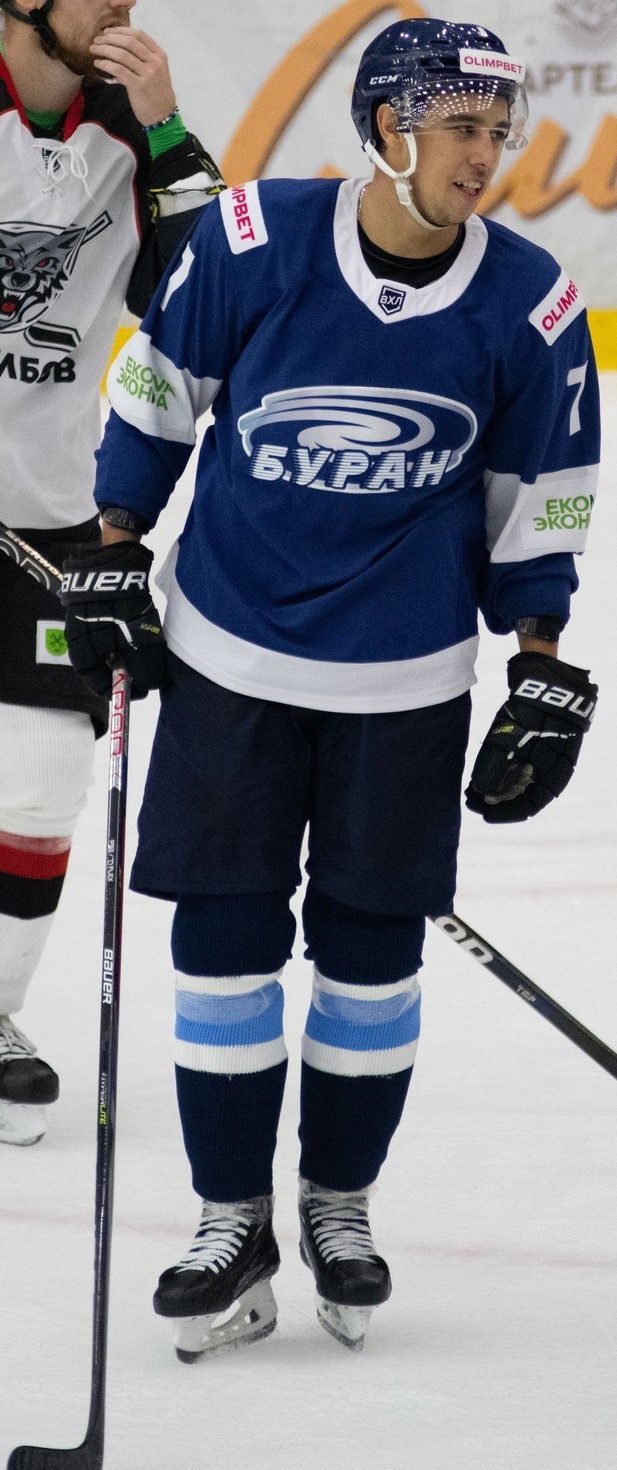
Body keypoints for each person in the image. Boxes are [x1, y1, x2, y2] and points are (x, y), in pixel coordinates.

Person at [60, 19, 600, 1356]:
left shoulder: (530, 302)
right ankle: (228, 1216)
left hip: (404, 679)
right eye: (460, 127)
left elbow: (540, 500)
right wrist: (115, 548)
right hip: (230, 655)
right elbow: (156, 395)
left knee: (370, 958)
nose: (485, 156)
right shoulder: (253, 240)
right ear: (386, 128)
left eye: (497, 131)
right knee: (225, 944)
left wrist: (537, 668)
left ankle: (336, 1205)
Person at [0, 0, 224, 1148]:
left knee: (43, 779)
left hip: (50, 516)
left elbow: (216, 295)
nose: (120, 5)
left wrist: (172, 130)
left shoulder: (134, 136)